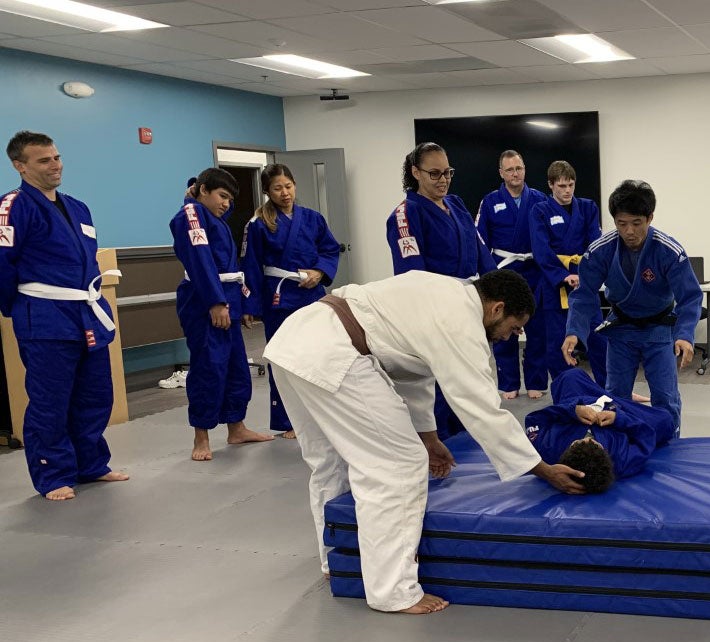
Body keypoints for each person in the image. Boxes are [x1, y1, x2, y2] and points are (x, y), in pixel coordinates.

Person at [265, 269, 586, 614]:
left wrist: (430, 439)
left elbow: (411, 370)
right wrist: (542, 470)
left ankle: (338, 562)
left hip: (297, 341)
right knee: (398, 465)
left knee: (332, 463)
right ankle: (393, 591)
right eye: (513, 327)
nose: (510, 337)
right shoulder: (461, 323)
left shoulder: (442, 292)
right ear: (497, 308)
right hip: (334, 353)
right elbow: (482, 409)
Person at [0, 130, 129, 500]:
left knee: (94, 393)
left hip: (85, 311)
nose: (54, 165)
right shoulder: (13, 206)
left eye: (56, 157)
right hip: (44, 314)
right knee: (50, 400)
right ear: (20, 166)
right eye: (44, 160)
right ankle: (53, 474)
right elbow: (2, 264)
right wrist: (19, 307)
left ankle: (90, 464)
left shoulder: (78, 207)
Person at [562, 180, 703, 433]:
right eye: (621, 224)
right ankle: (620, 444)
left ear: (650, 218)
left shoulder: (668, 250)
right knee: (615, 396)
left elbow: (690, 297)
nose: (629, 231)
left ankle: (670, 444)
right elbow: (583, 295)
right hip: (621, 330)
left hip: (659, 330)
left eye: (636, 223)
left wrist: (684, 335)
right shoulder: (600, 251)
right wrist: (574, 331)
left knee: (665, 397)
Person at [387, 142, 496, 440]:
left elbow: (480, 248)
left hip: (469, 303)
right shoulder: (405, 215)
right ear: (415, 173)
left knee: (471, 379)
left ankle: (470, 438)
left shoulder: (457, 204)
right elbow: (413, 274)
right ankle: (441, 445)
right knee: (440, 382)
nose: (443, 180)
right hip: (435, 310)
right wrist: (435, 312)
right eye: (434, 174)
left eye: (447, 172)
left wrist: (497, 289)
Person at [170, 167, 273, 461]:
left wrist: (238, 303)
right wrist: (215, 301)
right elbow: (201, 260)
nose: (226, 203)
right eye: (222, 196)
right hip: (204, 299)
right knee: (209, 367)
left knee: (236, 366)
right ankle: (200, 437)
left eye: (230, 198)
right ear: (203, 191)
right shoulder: (190, 216)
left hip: (227, 295)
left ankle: (236, 427)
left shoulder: (213, 220)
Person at [241, 164, 340, 439]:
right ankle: (288, 420)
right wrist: (249, 305)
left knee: (317, 356)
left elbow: (329, 249)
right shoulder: (258, 224)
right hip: (279, 299)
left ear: (295, 185)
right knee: (284, 360)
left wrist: (319, 272)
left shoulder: (313, 218)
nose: (285, 193)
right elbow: (250, 265)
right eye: (277, 188)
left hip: (311, 296)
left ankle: (320, 414)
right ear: (267, 191)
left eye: (288, 186)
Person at [524, 368, 676, 493]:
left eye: (579, 442)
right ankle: (621, 398)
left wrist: (572, 410)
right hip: (617, 410)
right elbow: (646, 437)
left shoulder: (548, 451)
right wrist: (618, 419)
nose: (590, 437)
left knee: (571, 375)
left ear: (569, 447)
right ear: (604, 450)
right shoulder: (621, 462)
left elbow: (534, 420)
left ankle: (606, 394)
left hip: (578, 401)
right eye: (594, 442)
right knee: (666, 421)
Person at [476, 150, 547, 400]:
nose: (515, 174)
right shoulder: (490, 201)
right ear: (501, 173)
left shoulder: (539, 199)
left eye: (519, 168)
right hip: (503, 270)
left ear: (524, 169)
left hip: (534, 269)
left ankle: (537, 381)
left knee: (537, 327)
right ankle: (508, 383)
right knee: (502, 326)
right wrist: (488, 273)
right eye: (510, 170)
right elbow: (480, 238)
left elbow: (549, 238)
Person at [530, 160, 607, 386]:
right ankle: (567, 392)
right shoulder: (540, 210)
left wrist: (587, 274)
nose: (567, 191)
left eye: (571, 185)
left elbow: (594, 244)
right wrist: (562, 276)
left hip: (585, 284)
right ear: (551, 185)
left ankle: (608, 389)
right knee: (557, 344)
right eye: (562, 186)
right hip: (555, 287)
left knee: (599, 339)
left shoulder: (588, 207)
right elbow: (541, 249)